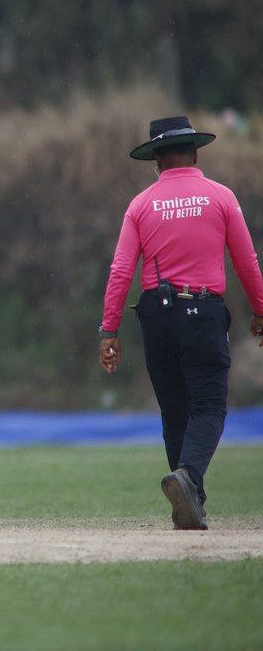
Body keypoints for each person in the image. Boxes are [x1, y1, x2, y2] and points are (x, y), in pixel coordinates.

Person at [98, 115, 263, 530]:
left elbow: (121, 270)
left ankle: (192, 503)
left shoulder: (140, 205)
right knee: (208, 407)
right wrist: (260, 309)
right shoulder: (221, 197)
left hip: (156, 315)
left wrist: (109, 330)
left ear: (156, 161)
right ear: (194, 153)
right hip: (202, 311)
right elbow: (246, 261)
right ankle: (188, 478)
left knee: (174, 413)